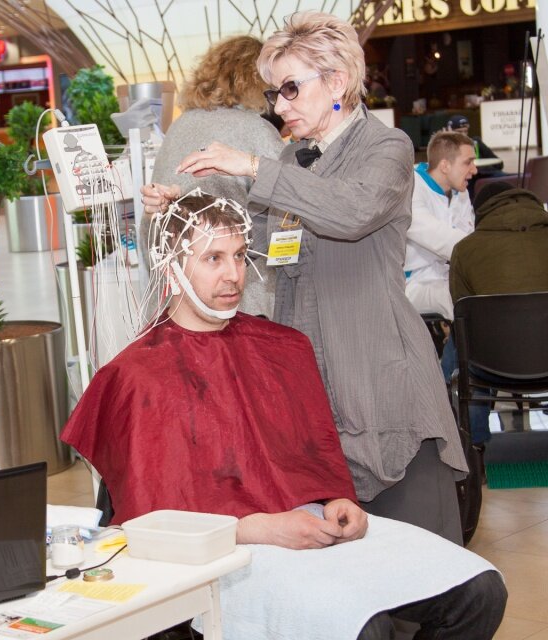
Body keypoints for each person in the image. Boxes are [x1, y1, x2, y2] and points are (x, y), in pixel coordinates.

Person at [62, 192, 506, 640]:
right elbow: (152, 518)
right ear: (171, 269)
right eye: (213, 258)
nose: (234, 274)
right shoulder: (136, 376)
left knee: (480, 591)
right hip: (224, 551)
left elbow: (316, 457)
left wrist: (339, 502)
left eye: (239, 255)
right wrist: (261, 528)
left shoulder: (282, 348)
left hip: (309, 525)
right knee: (364, 629)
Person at [141, 11, 468, 543]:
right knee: (342, 572)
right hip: (311, 383)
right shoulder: (294, 159)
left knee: (419, 562)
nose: (280, 106)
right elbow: (261, 242)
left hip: (379, 378)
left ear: (337, 82)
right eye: (275, 93)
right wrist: (186, 207)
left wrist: (254, 167)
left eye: (291, 88)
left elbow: (351, 211)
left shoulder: (387, 149)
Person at [143, 35, 284, 317]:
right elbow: (286, 217)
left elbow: (154, 224)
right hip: (241, 301)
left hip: (180, 301)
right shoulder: (257, 131)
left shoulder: (178, 127)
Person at [447, 181, 548, 444]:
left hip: (493, 365)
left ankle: (472, 446)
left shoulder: (465, 250)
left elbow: (462, 313)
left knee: (459, 344)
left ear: (480, 213)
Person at [404, 130, 477, 320]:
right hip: (413, 284)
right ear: (445, 165)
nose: (474, 170)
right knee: (464, 300)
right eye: (468, 162)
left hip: (446, 275)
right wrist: (487, 251)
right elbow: (445, 241)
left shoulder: (460, 192)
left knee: (485, 288)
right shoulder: (410, 188)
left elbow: (468, 238)